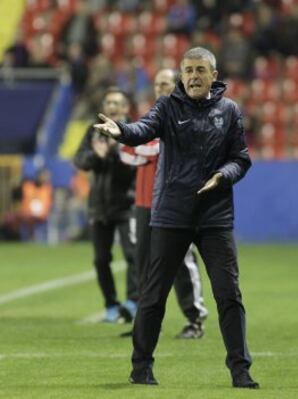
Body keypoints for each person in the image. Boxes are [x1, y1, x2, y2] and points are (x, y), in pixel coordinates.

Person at [94, 47, 259, 389]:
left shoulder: (229, 111)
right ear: (182, 76)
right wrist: (121, 130)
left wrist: (223, 176)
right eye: (188, 70)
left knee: (229, 294)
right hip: (171, 213)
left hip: (215, 215)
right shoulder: (168, 106)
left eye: (201, 70)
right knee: (153, 294)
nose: (194, 76)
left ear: (214, 75)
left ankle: (240, 371)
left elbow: (241, 159)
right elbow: (143, 129)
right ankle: (141, 368)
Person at [120, 68, 208, 339]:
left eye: (166, 83)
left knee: (181, 262)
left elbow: (146, 148)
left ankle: (195, 319)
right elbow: (126, 152)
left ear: (178, 85)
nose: (160, 88)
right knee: (144, 265)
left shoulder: (186, 116)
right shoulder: (151, 117)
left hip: (175, 203)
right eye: (157, 84)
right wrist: (143, 147)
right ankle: (144, 323)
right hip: (145, 203)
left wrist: (142, 147)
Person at [74, 87, 137, 323]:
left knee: (133, 256)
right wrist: (96, 156)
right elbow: (79, 160)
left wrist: (110, 154)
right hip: (99, 206)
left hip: (127, 204)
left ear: (125, 108)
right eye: (108, 102)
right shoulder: (94, 132)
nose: (112, 107)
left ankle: (133, 302)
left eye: (117, 103)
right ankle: (111, 305)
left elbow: (134, 166)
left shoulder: (133, 132)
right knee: (101, 259)